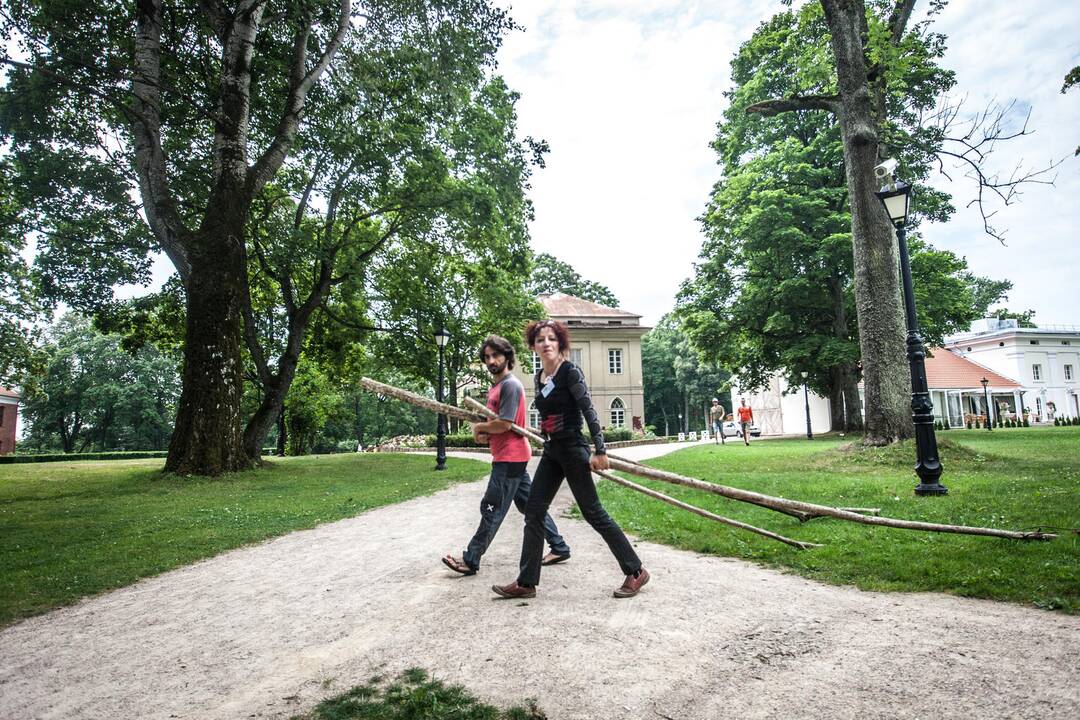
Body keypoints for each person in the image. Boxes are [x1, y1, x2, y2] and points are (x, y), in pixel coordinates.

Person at [492, 320, 649, 600]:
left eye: (552, 338)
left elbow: (588, 410)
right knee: (534, 511)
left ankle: (636, 571)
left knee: (593, 513)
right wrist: (545, 427)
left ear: (560, 343)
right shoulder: (541, 376)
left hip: (574, 450)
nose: (546, 343)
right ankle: (527, 582)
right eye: (540, 340)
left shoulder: (570, 372)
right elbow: (549, 412)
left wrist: (600, 450)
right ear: (533, 346)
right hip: (553, 451)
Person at [442, 335, 571, 577]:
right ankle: (559, 546)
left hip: (510, 458)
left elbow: (505, 423)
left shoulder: (511, 386)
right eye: (487, 357)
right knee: (531, 507)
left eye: (496, 355)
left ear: (507, 356)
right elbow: (496, 425)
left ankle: (471, 559)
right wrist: (484, 433)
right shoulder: (497, 387)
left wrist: (481, 429)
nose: (491, 360)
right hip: (510, 455)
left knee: (492, 508)